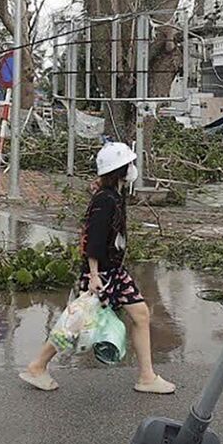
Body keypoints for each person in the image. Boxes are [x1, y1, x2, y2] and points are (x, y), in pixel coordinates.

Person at [19, 141, 176, 394]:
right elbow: (93, 240)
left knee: (140, 314)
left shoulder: (113, 196)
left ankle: (147, 376)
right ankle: (37, 366)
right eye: (129, 164)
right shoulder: (105, 200)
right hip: (101, 274)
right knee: (75, 324)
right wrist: (93, 276)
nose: (133, 168)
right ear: (121, 170)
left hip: (113, 271)